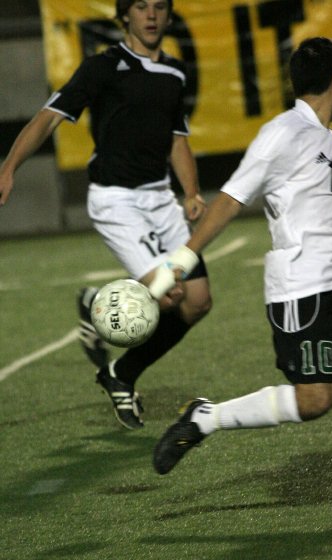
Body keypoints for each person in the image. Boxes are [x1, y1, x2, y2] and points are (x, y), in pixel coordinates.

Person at [148, 37, 332, 508]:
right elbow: (231, 199)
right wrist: (180, 261)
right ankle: (206, 417)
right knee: (315, 401)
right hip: (302, 292)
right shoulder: (282, 133)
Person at [0, 0, 212, 430]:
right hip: (117, 201)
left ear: (169, 16)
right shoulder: (103, 67)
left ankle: (120, 372)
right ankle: (102, 307)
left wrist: (190, 191)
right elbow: (47, 118)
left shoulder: (174, 72)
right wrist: (8, 167)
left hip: (161, 201)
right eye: (141, 7)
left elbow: (177, 139)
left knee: (198, 303)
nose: (151, 15)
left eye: (159, 7)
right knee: (169, 296)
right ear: (125, 16)